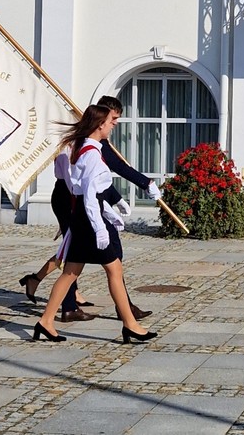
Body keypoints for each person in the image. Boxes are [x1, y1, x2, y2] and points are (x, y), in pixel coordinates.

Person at [18, 95, 158, 322]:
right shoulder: (87, 147)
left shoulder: (91, 143)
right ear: (101, 119)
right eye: (113, 119)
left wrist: (116, 199)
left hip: (80, 200)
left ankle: (49, 297)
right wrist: (146, 184)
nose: (115, 124)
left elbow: (97, 181)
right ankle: (91, 309)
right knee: (81, 257)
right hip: (71, 199)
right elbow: (92, 182)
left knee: (75, 258)